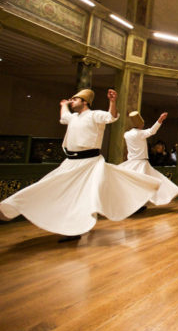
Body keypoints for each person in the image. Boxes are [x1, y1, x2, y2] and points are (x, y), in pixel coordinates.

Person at [0, 89, 160, 241]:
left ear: (84, 102)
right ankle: (12, 206)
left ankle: (75, 227)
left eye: (75, 99)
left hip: (89, 163)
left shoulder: (94, 115)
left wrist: (112, 101)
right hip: (70, 162)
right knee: (48, 186)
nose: (72, 101)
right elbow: (64, 117)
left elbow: (111, 117)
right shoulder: (73, 117)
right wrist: (63, 105)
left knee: (81, 197)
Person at [118, 111, 178, 206]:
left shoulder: (126, 134)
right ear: (141, 124)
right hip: (141, 163)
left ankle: (136, 204)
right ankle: (138, 204)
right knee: (152, 182)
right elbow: (152, 131)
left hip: (130, 162)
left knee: (133, 185)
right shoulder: (140, 133)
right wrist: (160, 119)